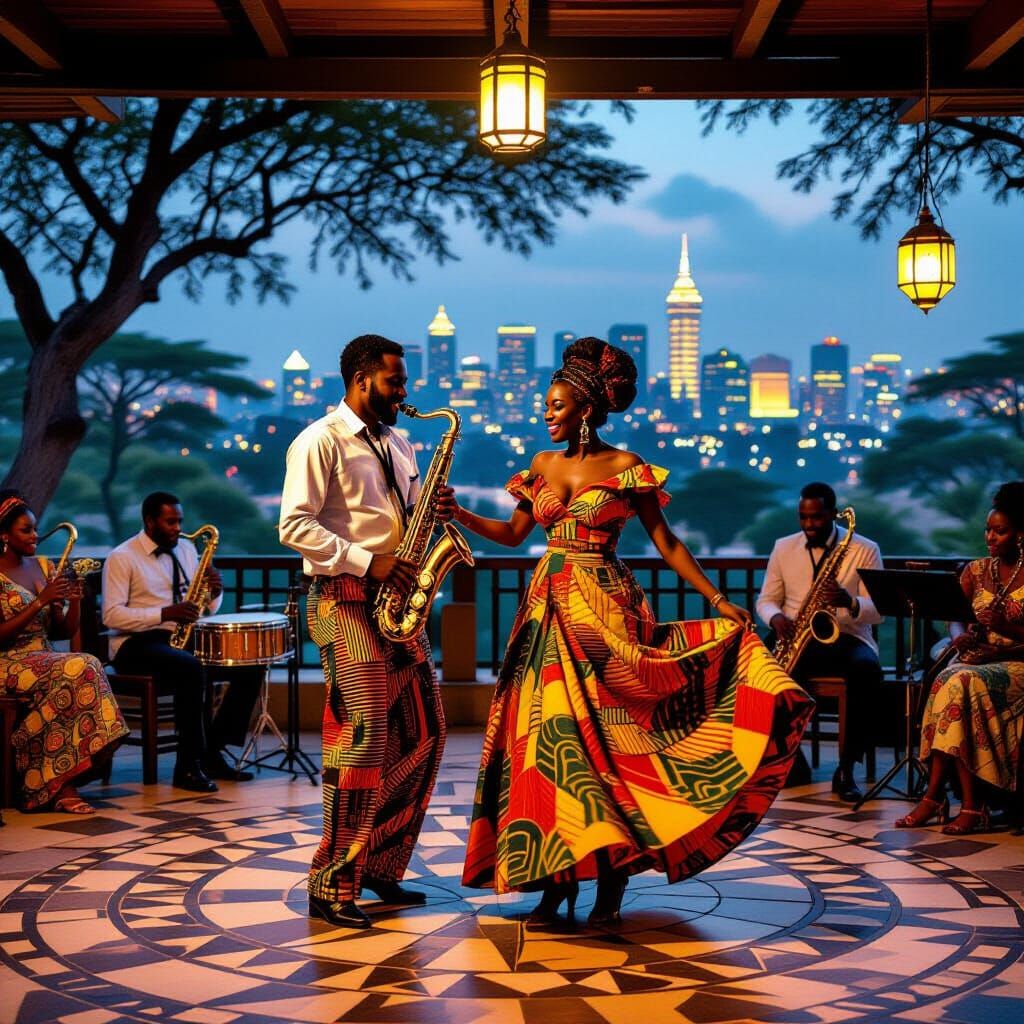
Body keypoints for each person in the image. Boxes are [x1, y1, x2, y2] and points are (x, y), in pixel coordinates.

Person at [450, 338, 813, 927]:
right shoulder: (541, 465)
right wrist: (461, 515)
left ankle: (609, 884)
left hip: (606, 613)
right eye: (547, 402)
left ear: (586, 407)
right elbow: (516, 536)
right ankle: (552, 878)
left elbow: (666, 542)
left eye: (557, 403)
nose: (546, 412)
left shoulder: (626, 468)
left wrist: (718, 599)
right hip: (547, 612)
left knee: (609, 748)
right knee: (545, 746)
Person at [279, 334, 452, 930]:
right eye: (394, 382)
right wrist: (368, 560)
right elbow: (293, 526)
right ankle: (331, 882)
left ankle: (380, 866)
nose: (404, 393)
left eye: (404, 382)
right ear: (359, 379)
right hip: (343, 599)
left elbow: (399, 515)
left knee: (425, 733)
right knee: (364, 738)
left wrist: (430, 507)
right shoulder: (318, 441)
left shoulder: (397, 442)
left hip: (395, 604)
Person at [102, 492, 262, 793]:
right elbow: (111, 616)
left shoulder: (187, 549)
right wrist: (164, 613)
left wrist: (214, 592)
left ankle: (213, 750)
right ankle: (187, 767)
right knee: (190, 668)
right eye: (170, 521)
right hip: (135, 644)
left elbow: (204, 608)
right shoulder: (122, 557)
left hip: (179, 637)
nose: (178, 528)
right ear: (150, 522)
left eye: (180, 521)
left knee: (250, 665)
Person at [896, 481, 1024, 835]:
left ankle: (942, 800)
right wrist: (959, 637)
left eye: (1000, 531)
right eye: (987, 529)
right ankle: (956, 801)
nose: (990, 538)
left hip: (1017, 662)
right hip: (978, 661)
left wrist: (1007, 630)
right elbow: (956, 615)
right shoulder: (976, 570)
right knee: (949, 680)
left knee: (962, 681)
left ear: (1021, 534)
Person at [0, 491, 128, 813]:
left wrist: (74, 600)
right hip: (6, 662)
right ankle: (54, 783)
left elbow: (61, 631)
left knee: (80, 668)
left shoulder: (41, 566)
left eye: (35, 528)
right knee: (80, 667)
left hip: (42, 658)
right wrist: (40, 602)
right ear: (3, 535)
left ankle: (60, 783)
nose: (35, 536)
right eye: (26, 530)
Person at [756, 482, 884, 802]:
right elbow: (766, 600)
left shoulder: (864, 548)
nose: (808, 524)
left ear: (831, 513)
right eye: (803, 517)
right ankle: (790, 759)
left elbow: (878, 610)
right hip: (796, 632)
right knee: (763, 671)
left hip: (847, 635)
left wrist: (849, 601)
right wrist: (776, 618)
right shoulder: (784, 547)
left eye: (816, 517)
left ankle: (846, 768)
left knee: (866, 672)